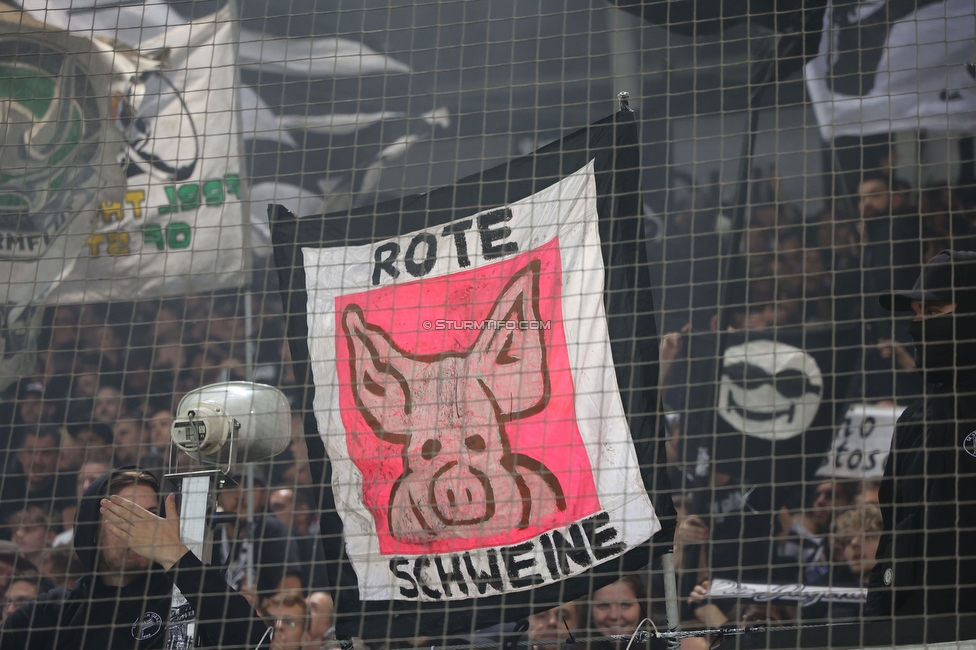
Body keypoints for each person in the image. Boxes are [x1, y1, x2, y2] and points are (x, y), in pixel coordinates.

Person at [0, 468, 270, 648]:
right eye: (127, 517)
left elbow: (252, 641)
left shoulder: (186, 600)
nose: (143, 528)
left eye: (152, 515)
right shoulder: (45, 617)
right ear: (92, 531)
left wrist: (176, 556)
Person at [867, 250, 976, 619]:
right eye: (915, 314)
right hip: (914, 626)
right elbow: (894, 530)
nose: (917, 325)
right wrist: (878, 615)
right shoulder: (914, 419)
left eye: (932, 313)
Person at [0, 426, 76, 533]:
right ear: (20, 455)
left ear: (58, 456)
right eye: (31, 452)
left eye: (46, 453)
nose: (37, 460)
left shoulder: (68, 486)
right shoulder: (5, 485)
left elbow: (70, 535)